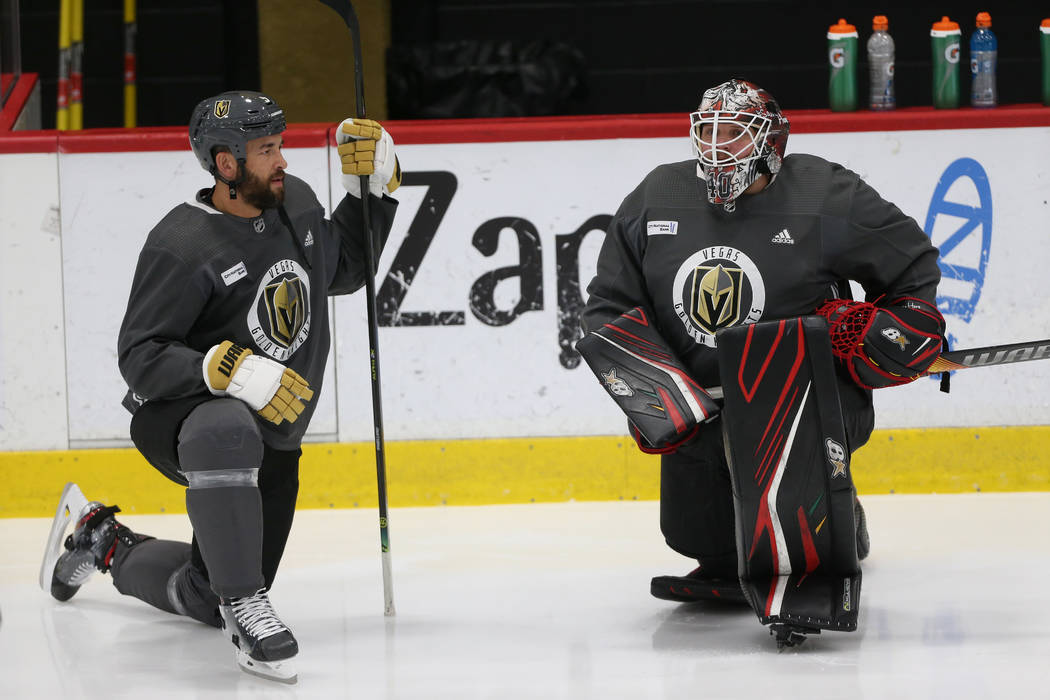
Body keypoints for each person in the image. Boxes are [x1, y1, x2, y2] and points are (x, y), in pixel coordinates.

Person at [39, 90, 401, 683]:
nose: (281, 160)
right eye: (266, 150)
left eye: (279, 146)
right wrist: (223, 369)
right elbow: (140, 354)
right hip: (185, 421)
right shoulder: (182, 244)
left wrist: (374, 193)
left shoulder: (298, 203)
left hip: (273, 438)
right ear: (226, 164)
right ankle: (249, 616)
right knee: (228, 426)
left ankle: (102, 540)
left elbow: (343, 270)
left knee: (211, 593)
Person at [579, 79, 944, 635]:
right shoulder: (659, 194)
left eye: (734, 133)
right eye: (709, 132)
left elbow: (911, 269)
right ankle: (761, 535)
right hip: (703, 405)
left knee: (794, 547)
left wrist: (878, 336)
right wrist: (657, 398)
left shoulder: (823, 193)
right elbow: (609, 305)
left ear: (771, 141)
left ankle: (834, 521)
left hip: (802, 400)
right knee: (696, 540)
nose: (719, 147)